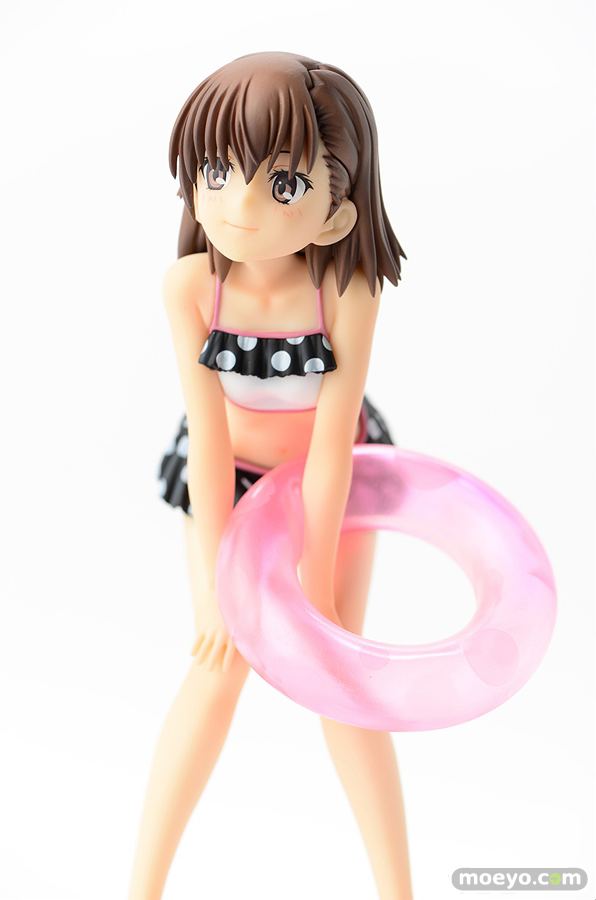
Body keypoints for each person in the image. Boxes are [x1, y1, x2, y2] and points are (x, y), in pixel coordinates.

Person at [128, 51, 413, 899]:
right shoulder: (190, 288)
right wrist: (223, 589)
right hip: (230, 481)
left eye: (282, 184)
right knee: (217, 662)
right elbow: (209, 441)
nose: (239, 206)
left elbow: (332, 442)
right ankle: (141, 888)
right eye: (217, 173)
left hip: (335, 481)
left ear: (335, 214)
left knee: (341, 677)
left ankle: (398, 890)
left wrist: (315, 582)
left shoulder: (347, 288)